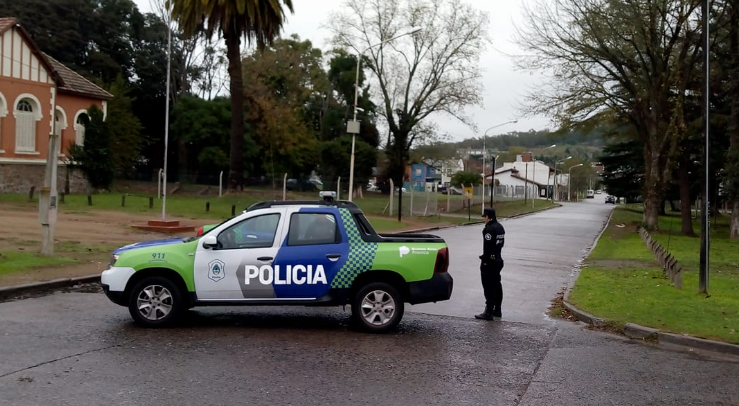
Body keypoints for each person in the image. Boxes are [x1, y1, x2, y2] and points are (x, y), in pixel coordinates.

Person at [475, 207, 505, 320]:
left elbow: (487, 247)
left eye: (484, 217)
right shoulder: (500, 227)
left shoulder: (489, 229)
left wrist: (485, 259)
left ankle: (488, 311)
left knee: (488, 286)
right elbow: (501, 244)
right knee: (497, 285)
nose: (484, 219)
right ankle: (497, 309)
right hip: (498, 259)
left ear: (488, 217)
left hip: (489, 262)